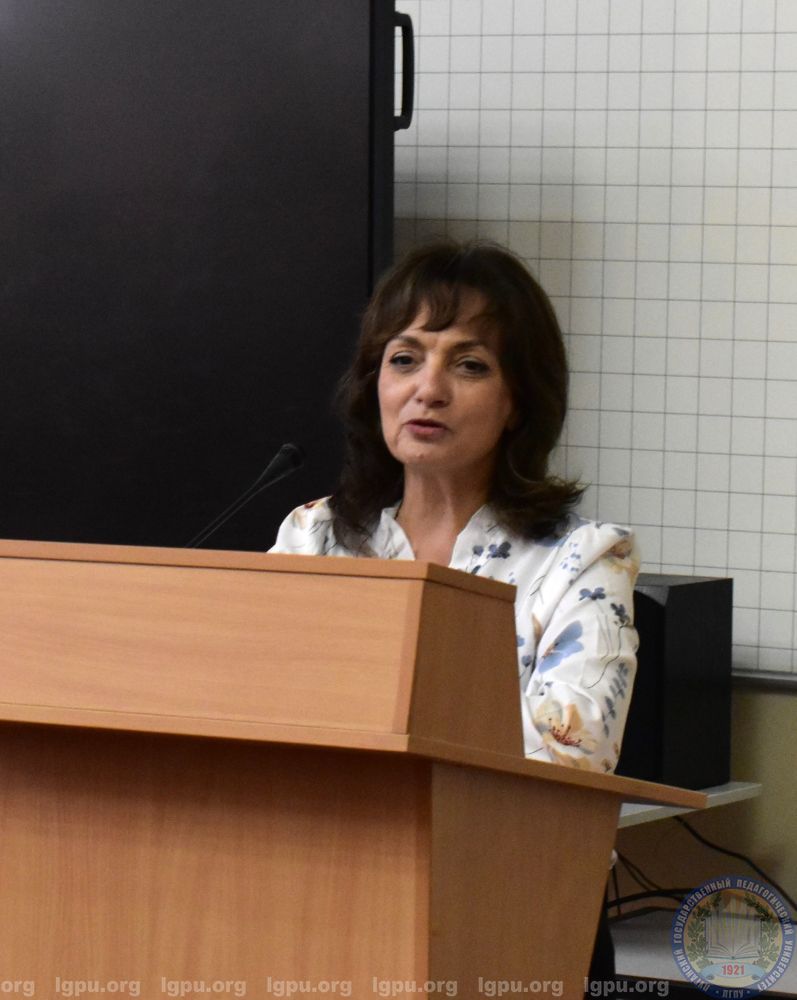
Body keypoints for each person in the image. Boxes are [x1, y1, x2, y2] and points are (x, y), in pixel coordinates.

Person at [270, 238, 639, 775]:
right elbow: (251, 708)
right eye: (404, 360)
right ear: (376, 385)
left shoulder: (582, 560)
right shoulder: (314, 537)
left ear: (518, 402)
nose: (428, 390)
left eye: (469, 366)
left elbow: (570, 757)